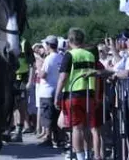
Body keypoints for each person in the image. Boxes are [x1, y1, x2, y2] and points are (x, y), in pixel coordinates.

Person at [54, 27, 96, 160]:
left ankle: (80, 157)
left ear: (70, 40)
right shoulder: (90, 55)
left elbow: (63, 77)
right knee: (87, 128)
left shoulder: (70, 55)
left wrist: (57, 96)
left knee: (76, 129)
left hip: (73, 95)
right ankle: (88, 154)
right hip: (89, 94)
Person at [11, 37, 35, 142]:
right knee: (13, 105)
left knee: (21, 104)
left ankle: (19, 132)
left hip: (22, 79)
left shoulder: (25, 43)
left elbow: (32, 64)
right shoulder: (7, 39)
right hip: (10, 77)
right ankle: (12, 129)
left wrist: (30, 81)